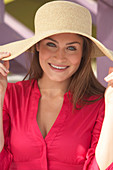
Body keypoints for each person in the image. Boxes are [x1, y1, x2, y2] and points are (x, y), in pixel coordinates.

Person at [0, 1, 113, 170]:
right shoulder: (10, 96)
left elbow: (100, 167)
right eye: (51, 45)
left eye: (71, 48)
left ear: (83, 53)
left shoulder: (99, 104)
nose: (60, 58)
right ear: (38, 46)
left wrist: (112, 104)